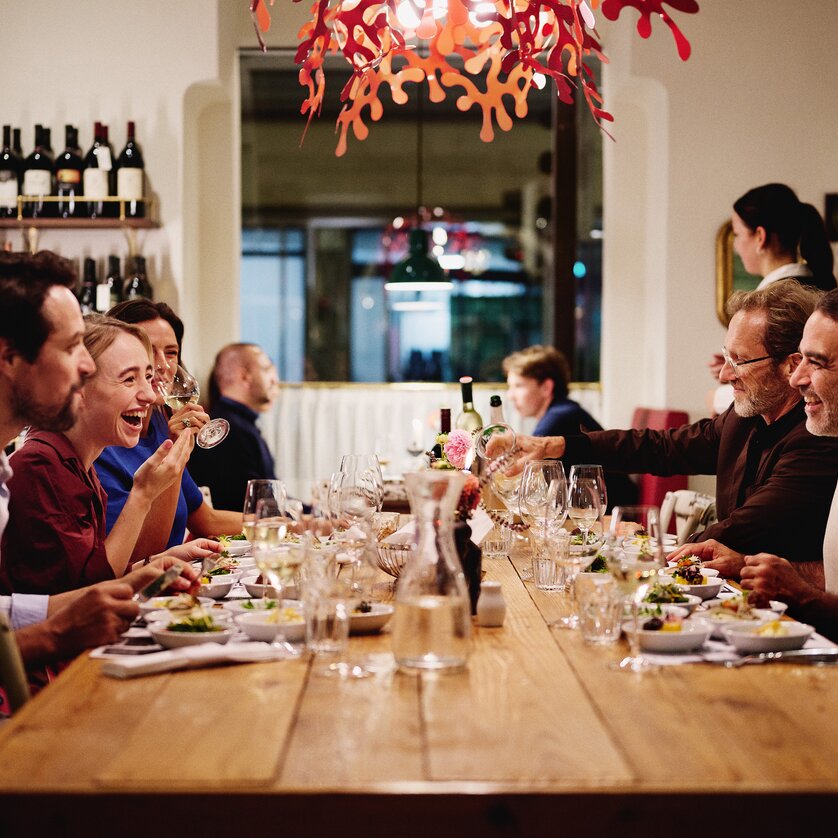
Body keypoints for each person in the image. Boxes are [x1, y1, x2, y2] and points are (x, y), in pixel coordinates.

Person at [503, 282, 838, 574]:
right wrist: (556, 446)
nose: (725, 375)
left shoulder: (817, 437)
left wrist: (645, 547)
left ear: (789, 365)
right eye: (726, 357)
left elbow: (747, 528)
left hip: (792, 620)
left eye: (739, 361)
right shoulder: (744, 417)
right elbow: (662, 447)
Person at [0, 252, 199, 672]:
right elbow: (82, 592)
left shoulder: (37, 466)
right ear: (9, 357)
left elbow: (22, 608)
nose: (85, 366)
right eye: (72, 346)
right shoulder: (39, 463)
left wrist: (139, 576)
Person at [0, 316, 218, 595]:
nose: (150, 396)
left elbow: (94, 573)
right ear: (78, 389)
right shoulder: (40, 465)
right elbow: (87, 597)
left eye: (148, 378)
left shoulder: (79, 463)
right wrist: (142, 494)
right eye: (129, 379)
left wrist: (156, 563)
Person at [674, 289, 838, 638]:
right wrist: (747, 564)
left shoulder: (816, 442)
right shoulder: (748, 418)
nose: (797, 379)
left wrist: (801, 595)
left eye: (817, 362)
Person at [95, 299, 243, 561]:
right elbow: (141, 557)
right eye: (149, 351)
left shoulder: (160, 423)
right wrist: (175, 451)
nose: (162, 365)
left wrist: (289, 522)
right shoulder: (103, 442)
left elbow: (206, 520)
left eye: (171, 352)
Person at [709, 183, 836, 412]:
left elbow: (791, 386)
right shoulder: (816, 284)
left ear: (760, 236)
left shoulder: (780, 304)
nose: (736, 246)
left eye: (737, 235)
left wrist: (716, 398)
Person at [502, 344, 637, 509]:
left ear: (546, 387)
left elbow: (528, 486)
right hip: (601, 510)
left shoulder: (557, 419)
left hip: (610, 516)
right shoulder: (565, 411)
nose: (510, 396)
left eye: (518, 386)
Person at [187, 343, 280, 511]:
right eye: (267, 370)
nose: (275, 380)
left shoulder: (241, 424)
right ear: (245, 377)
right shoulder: (226, 430)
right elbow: (255, 507)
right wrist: (306, 520)